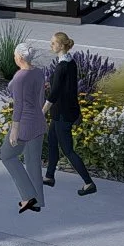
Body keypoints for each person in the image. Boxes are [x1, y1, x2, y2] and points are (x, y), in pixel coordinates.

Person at [42, 31, 98, 196]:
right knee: (52, 141)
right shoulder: (69, 61)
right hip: (62, 111)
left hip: (63, 114)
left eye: (53, 43)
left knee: (68, 150)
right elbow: (65, 87)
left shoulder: (63, 66)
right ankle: (49, 176)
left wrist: (42, 111)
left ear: (61, 45)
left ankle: (89, 183)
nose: (51, 45)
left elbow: (55, 93)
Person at [0, 42, 48, 213]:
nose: (14, 57)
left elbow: (18, 105)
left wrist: (14, 130)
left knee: (7, 156)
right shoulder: (38, 72)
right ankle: (38, 203)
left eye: (15, 55)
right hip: (38, 121)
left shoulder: (20, 78)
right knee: (33, 162)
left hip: (25, 124)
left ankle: (28, 196)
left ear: (19, 57)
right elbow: (41, 98)